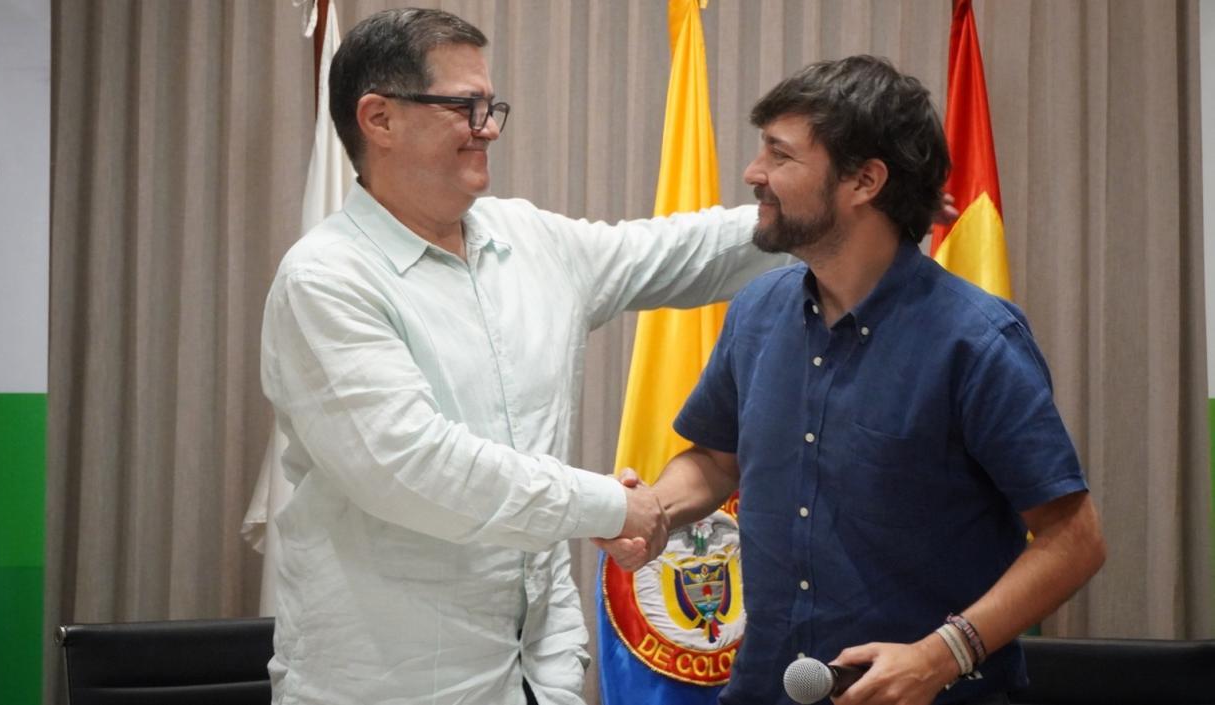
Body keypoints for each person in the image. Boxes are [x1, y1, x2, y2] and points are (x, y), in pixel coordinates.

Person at [258, 8, 792, 705]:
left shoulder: (528, 240)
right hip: (388, 685)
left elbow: (673, 251)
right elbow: (418, 467)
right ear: (379, 119)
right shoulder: (326, 280)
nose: (488, 128)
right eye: (464, 107)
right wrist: (609, 505)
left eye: (491, 105)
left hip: (538, 674)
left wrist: (816, 210)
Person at [600, 56, 1106, 705]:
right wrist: (653, 510)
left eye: (780, 156)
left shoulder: (976, 340)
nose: (754, 174)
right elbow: (714, 457)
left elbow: (1076, 538)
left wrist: (942, 653)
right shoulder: (756, 312)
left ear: (865, 180)